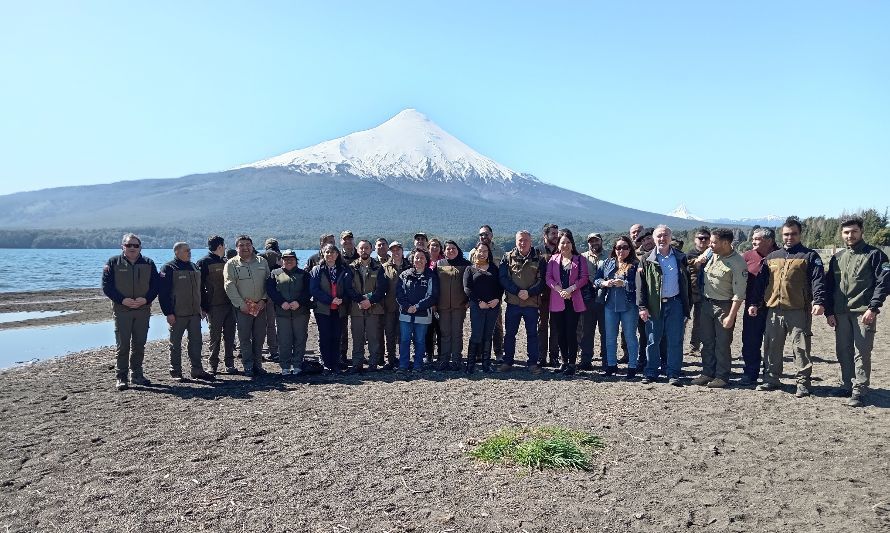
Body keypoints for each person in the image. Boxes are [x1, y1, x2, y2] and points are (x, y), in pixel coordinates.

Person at [753, 217, 827, 397]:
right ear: (781, 234)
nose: (789, 237)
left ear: (800, 234)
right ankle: (771, 379)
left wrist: (818, 301)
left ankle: (803, 383)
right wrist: (755, 303)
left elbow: (818, 281)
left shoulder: (809, 256)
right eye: (786, 234)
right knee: (771, 346)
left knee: (801, 348)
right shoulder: (772, 257)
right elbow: (761, 282)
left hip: (798, 310)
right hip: (773, 310)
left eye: (793, 234)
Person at [825, 216, 890, 407]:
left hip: (864, 312)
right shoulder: (837, 258)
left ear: (861, 232)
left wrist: (874, 307)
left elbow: (884, 283)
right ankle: (846, 384)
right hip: (840, 312)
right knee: (843, 349)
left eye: (854, 231)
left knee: (862, 351)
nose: (850, 235)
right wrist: (829, 311)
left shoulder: (875, 255)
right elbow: (830, 286)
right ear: (841, 234)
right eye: (846, 232)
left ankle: (859, 389)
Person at [689, 229, 747, 388]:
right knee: (707, 341)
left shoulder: (737, 263)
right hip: (706, 303)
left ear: (726, 243)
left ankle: (722, 376)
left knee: (722, 343)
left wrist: (731, 316)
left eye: (714, 242)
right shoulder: (711, 252)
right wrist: (698, 261)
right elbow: (697, 263)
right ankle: (707, 372)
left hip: (724, 306)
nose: (710, 244)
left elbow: (739, 294)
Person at [102, 233, 160, 391]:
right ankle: (121, 377)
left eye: (135, 245)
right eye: (129, 245)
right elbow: (107, 286)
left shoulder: (148, 263)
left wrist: (146, 299)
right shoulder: (113, 262)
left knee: (139, 344)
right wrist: (122, 300)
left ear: (140, 247)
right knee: (123, 345)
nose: (132, 248)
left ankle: (137, 375)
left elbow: (156, 285)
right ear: (123, 246)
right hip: (122, 310)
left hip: (142, 309)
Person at [637, 225, 692, 385]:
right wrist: (642, 307)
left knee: (675, 340)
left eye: (665, 235)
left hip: (675, 304)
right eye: (659, 236)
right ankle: (651, 372)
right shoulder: (646, 259)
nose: (662, 239)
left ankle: (673, 373)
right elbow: (642, 286)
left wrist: (687, 309)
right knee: (653, 340)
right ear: (654, 239)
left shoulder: (681, 257)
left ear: (671, 237)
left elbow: (686, 284)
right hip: (654, 305)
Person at [158, 242, 215, 382]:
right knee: (175, 343)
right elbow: (163, 293)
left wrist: (203, 307)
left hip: (195, 312)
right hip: (177, 313)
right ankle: (176, 371)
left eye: (190, 250)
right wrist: (168, 313)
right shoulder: (169, 267)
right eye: (186, 251)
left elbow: (200, 290)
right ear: (177, 252)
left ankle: (197, 370)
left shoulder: (194, 266)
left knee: (196, 342)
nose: (189, 253)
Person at [223, 235, 271, 378]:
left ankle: (258, 365)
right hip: (243, 308)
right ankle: (248, 366)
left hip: (260, 307)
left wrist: (263, 300)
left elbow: (269, 283)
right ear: (237, 247)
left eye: (248, 244)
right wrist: (241, 304)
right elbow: (229, 286)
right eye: (241, 245)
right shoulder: (231, 264)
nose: (245, 247)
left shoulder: (262, 261)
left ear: (252, 246)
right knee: (244, 338)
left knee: (259, 337)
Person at [499, 230, 545, 373]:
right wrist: (517, 291)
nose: (523, 243)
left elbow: (543, 280)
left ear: (531, 241)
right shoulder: (507, 257)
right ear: (516, 241)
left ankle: (532, 363)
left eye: (525, 240)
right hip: (513, 302)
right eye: (520, 240)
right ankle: (508, 362)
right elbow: (503, 278)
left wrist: (529, 292)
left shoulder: (539, 258)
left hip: (531, 303)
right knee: (510, 334)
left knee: (532, 334)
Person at [594, 236, 641, 379]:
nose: (621, 250)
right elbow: (596, 280)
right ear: (614, 249)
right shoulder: (607, 263)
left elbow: (640, 286)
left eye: (625, 247)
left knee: (630, 337)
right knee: (610, 337)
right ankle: (611, 365)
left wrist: (625, 283)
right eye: (618, 247)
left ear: (630, 249)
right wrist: (604, 283)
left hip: (629, 306)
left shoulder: (635, 264)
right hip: (610, 305)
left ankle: (632, 366)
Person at [546, 229, 589, 376]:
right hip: (558, 300)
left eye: (568, 242)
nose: (565, 245)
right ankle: (564, 362)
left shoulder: (579, 259)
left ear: (572, 244)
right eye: (562, 242)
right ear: (558, 245)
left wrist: (570, 289)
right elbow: (549, 278)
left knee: (571, 332)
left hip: (573, 300)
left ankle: (572, 363)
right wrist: (560, 290)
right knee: (560, 333)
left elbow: (584, 278)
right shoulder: (553, 260)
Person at [739, 227, 778, 386]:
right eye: (753, 239)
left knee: (773, 341)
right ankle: (750, 373)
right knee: (750, 340)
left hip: (774, 305)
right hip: (751, 306)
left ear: (769, 240)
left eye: (757, 239)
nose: (753, 241)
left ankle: (770, 374)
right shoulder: (747, 256)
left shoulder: (780, 255)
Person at [266, 249, 312, 376]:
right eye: (286, 259)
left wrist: (299, 302)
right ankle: (285, 366)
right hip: (282, 313)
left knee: (300, 339)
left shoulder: (304, 274)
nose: (289, 261)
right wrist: (281, 302)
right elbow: (271, 290)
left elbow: (308, 291)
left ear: (296, 260)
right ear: (282, 261)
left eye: (292, 259)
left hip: (301, 312)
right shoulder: (274, 273)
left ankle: (297, 365)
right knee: (284, 340)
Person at [196, 235, 237, 374]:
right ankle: (212, 364)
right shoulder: (203, 262)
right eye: (224, 246)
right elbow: (199, 286)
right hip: (214, 305)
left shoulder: (227, 262)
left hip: (230, 304)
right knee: (215, 337)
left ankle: (229, 364)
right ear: (220, 246)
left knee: (230, 336)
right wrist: (203, 306)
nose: (225, 248)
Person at [345, 240, 387, 372]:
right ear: (357, 250)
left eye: (367, 248)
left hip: (373, 307)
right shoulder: (351, 267)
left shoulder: (379, 267)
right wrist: (360, 300)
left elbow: (381, 288)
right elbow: (348, 287)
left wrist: (370, 301)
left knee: (373, 336)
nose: (364, 250)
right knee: (357, 337)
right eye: (362, 248)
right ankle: (357, 363)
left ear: (371, 249)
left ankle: (373, 363)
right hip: (356, 308)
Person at [396, 248, 439, 374]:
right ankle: (403, 365)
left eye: (422, 258)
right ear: (412, 259)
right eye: (416, 257)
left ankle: (418, 365)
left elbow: (432, 296)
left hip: (423, 315)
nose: (419, 260)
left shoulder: (431, 276)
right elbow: (399, 294)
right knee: (404, 340)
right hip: (405, 314)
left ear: (426, 260)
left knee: (420, 340)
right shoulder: (404, 274)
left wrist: (418, 306)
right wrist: (407, 306)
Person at [309, 243, 350, 373]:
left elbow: (349, 288)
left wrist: (342, 299)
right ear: (323, 254)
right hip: (323, 309)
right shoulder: (317, 270)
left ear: (337, 254)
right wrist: (330, 300)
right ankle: (326, 363)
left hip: (339, 308)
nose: (330, 255)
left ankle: (336, 362)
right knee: (325, 336)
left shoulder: (344, 269)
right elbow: (314, 290)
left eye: (332, 252)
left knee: (337, 336)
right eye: (327, 252)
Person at [463, 242, 503, 373]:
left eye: (485, 251)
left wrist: (497, 299)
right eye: (480, 251)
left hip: (493, 306)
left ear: (488, 253)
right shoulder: (470, 269)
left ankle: (486, 364)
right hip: (477, 306)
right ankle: (470, 364)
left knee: (488, 335)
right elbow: (467, 288)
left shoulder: (494, 268)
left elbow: (500, 286)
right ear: (475, 252)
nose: (482, 253)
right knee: (476, 334)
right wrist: (479, 301)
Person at [470, 225, 505, 362]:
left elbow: (502, 275)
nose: (484, 237)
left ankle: (498, 352)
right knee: (478, 325)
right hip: (478, 296)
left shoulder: (500, 252)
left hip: (494, 295)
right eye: (481, 235)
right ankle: (479, 354)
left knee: (497, 325)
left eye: (486, 234)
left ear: (492, 235)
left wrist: (499, 296)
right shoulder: (473, 251)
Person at [435, 240, 471, 371]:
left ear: (458, 249)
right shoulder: (439, 264)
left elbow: (470, 284)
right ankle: (444, 359)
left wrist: (468, 301)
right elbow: (434, 285)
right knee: (444, 333)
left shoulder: (466, 264)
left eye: (453, 248)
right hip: (442, 305)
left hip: (459, 305)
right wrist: (434, 303)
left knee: (457, 333)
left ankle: (456, 359)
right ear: (444, 251)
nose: (451, 250)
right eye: (448, 249)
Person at [579, 232, 606, 370]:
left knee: (606, 331)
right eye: (591, 241)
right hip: (587, 298)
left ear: (601, 241)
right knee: (587, 331)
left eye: (597, 241)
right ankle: (586, 359)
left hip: (605, 299)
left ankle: (606, 360)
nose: (594, 243)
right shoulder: (582, 257)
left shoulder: (610, 256)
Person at [535, 223, 561, 367]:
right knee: (542, 325)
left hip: (557, 294)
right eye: (553, 234)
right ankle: (541, 356)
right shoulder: (536, 251)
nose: (556, 236)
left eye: (557, 233)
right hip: (542, 294)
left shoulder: (562, 249)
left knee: (556, 325)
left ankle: (554, 356)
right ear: (545, 235)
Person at [379, 241, 407, 370]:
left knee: (404, 334)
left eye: (398, 250)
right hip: (389, 306)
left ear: (402, 250)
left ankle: (403, 360)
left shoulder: (410, 266)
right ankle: (390, 359)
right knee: (389, 334)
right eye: (393, 250)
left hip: (405, 307)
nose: (396, 252)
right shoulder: (385, 267)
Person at [685, 228, 711, 357]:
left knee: (699, 322)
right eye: (700, 238)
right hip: (689, 292)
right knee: (683, 320)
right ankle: (678, 345)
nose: (703, 240)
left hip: (705, 293)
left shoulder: (713, 255)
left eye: (706, 238)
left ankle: (694, 346)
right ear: (695, 240)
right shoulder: (688, 255)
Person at [259, 238, 282, 363]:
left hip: (261, 294)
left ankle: (257, 350)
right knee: (272, 324)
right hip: (276, 295)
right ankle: (273, 350)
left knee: (259, 324)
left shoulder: (260, 256)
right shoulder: (279, 256)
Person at [338, 231, 358, 367]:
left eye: (350, 239)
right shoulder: (337, 257)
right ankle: (342, 355)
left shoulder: (360, 255)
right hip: (343, 298)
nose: (348, 242)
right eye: (345, 240)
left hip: (357, 297)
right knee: (342, 329)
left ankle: (358, 355)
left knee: (358, 329)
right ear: (341, 241)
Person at [425, 238, 444, 363]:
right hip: (427, 302)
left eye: (437, 245)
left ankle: (442, 355)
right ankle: (429, 354)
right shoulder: (424, 261)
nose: (435, 248)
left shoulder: (445, 262)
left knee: (441, 330)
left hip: (443, 301)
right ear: (428, 247)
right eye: (432, 245)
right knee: (428, 330)